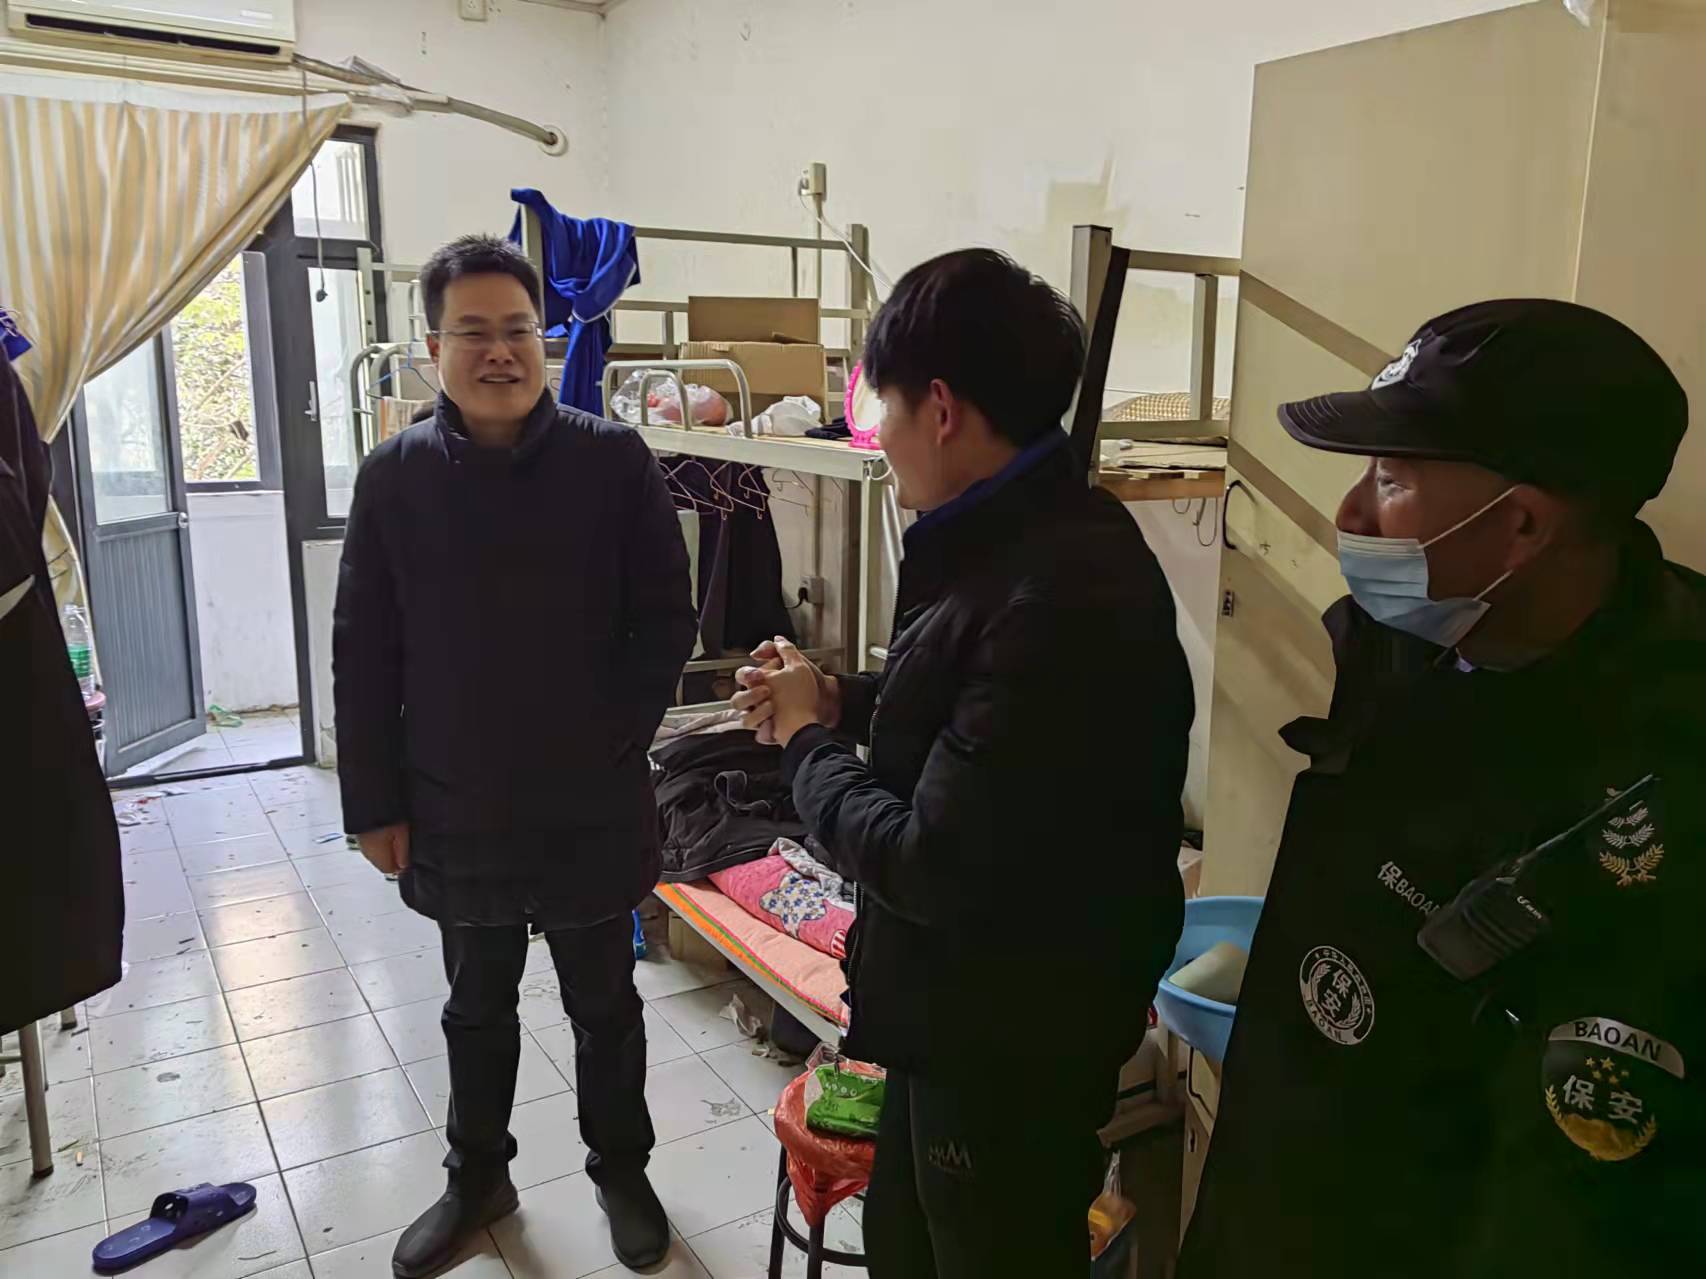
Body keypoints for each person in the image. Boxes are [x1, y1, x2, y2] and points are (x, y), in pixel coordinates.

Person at [1179, 299, 1706, 1276]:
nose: (1349, 515)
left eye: (1389, 480)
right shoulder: (1396, 645)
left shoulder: (1661, 782)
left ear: (1520, 524)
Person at [734, 249, 1193, 1277]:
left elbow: (929, 860)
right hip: (954, 1011)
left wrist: (806, 740)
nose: (878, 436)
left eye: (881, 408)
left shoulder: (1059, 591)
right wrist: (837, 696)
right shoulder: (1015, 539)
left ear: (939, 409)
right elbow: (959, 699)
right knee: (907, 1237)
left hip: (1012, 1030)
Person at [333, 235, 697, 1277]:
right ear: (432, 347)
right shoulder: (395, 476)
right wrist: (374, 803)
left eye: (519, 330)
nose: (500, 351)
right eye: (474, 332)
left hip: (589, 793)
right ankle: (476, 1178)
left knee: (604, 1004)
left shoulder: (612, 460)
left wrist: (613, 735)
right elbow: (363, 649)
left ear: (547, 339)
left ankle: (621, 1170)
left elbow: (665, 619)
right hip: (457, 796)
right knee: (475, 1005)